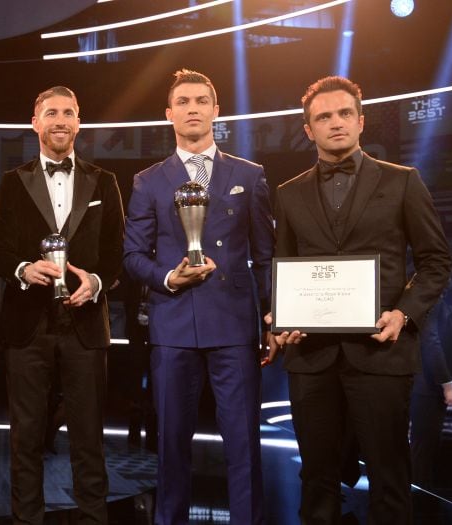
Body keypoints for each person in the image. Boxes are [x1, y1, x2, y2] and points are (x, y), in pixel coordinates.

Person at [267, 76, 452, 524]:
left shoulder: (404, 182)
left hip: (381, 353)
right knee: (316, 479)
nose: (336, 123)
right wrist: (280, 315)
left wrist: (403, 313)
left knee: (390, 479)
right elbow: (284, 267)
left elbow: (436, 262)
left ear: (361, 121)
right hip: (311, 356)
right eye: (323, 117)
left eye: (344, 113)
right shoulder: (288, 194)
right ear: (308, 130)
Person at [123, 69, 273, 524]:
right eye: (183, 101)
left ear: (216, 110)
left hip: (233, 328)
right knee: (170, 444)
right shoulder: (147, 181)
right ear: (169, 115)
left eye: (201, 100)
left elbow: (267, 256)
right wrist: (168, 278)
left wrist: (272, 315)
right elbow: (132, 256)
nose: (193, 108)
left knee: (244, 443)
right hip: (172, 326)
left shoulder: (250, 175)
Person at [0, 86, 124, 524]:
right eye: (51, 112)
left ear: (79, 122)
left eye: (68, 112)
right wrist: (24, 268)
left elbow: (117, 250)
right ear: (36, 122)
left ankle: (93, 518)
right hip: (28, 325)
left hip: (85, 323)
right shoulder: (12, 182)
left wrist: (98, 281)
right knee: (25, 436)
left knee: (89, 437)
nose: (60, 120)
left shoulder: (105, 181)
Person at [409, 292, 452, 485]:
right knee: (423, 446)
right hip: (428, 387)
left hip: (427, 386)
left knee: (423, 445)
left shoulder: (434, 303)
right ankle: (419, 495)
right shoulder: (431, 303)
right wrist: (447, 385)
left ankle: (418, 492)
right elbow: (431, 343)